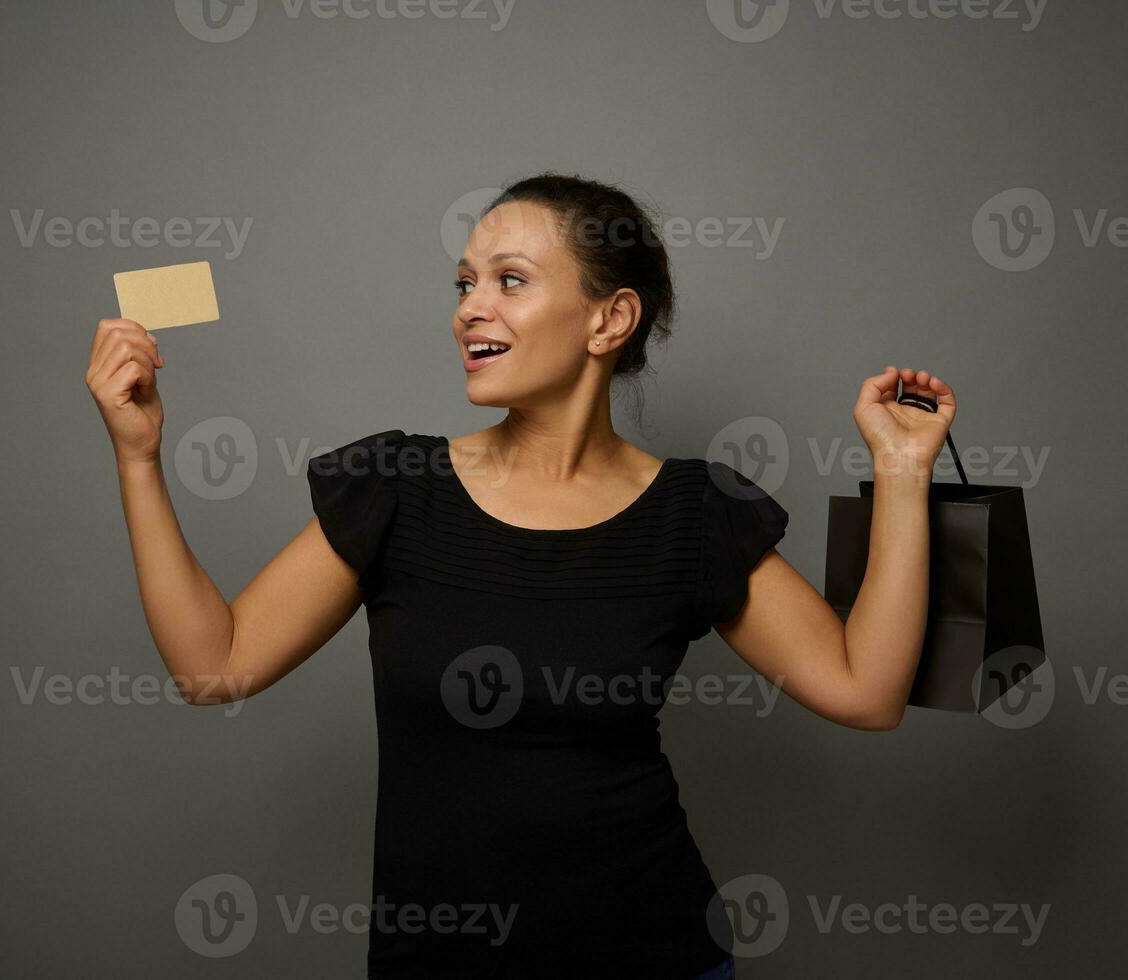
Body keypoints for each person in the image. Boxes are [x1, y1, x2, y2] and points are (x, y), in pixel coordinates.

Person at [84, 173, 957, 978]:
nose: (470, 309)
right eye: (464, 284)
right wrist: (138, 458)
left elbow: (865, 691)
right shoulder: (398, 487)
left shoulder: (695, 515)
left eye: (508, 280)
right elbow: (212, 668)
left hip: (653, 954)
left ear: (609, 320)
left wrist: (903, 469)